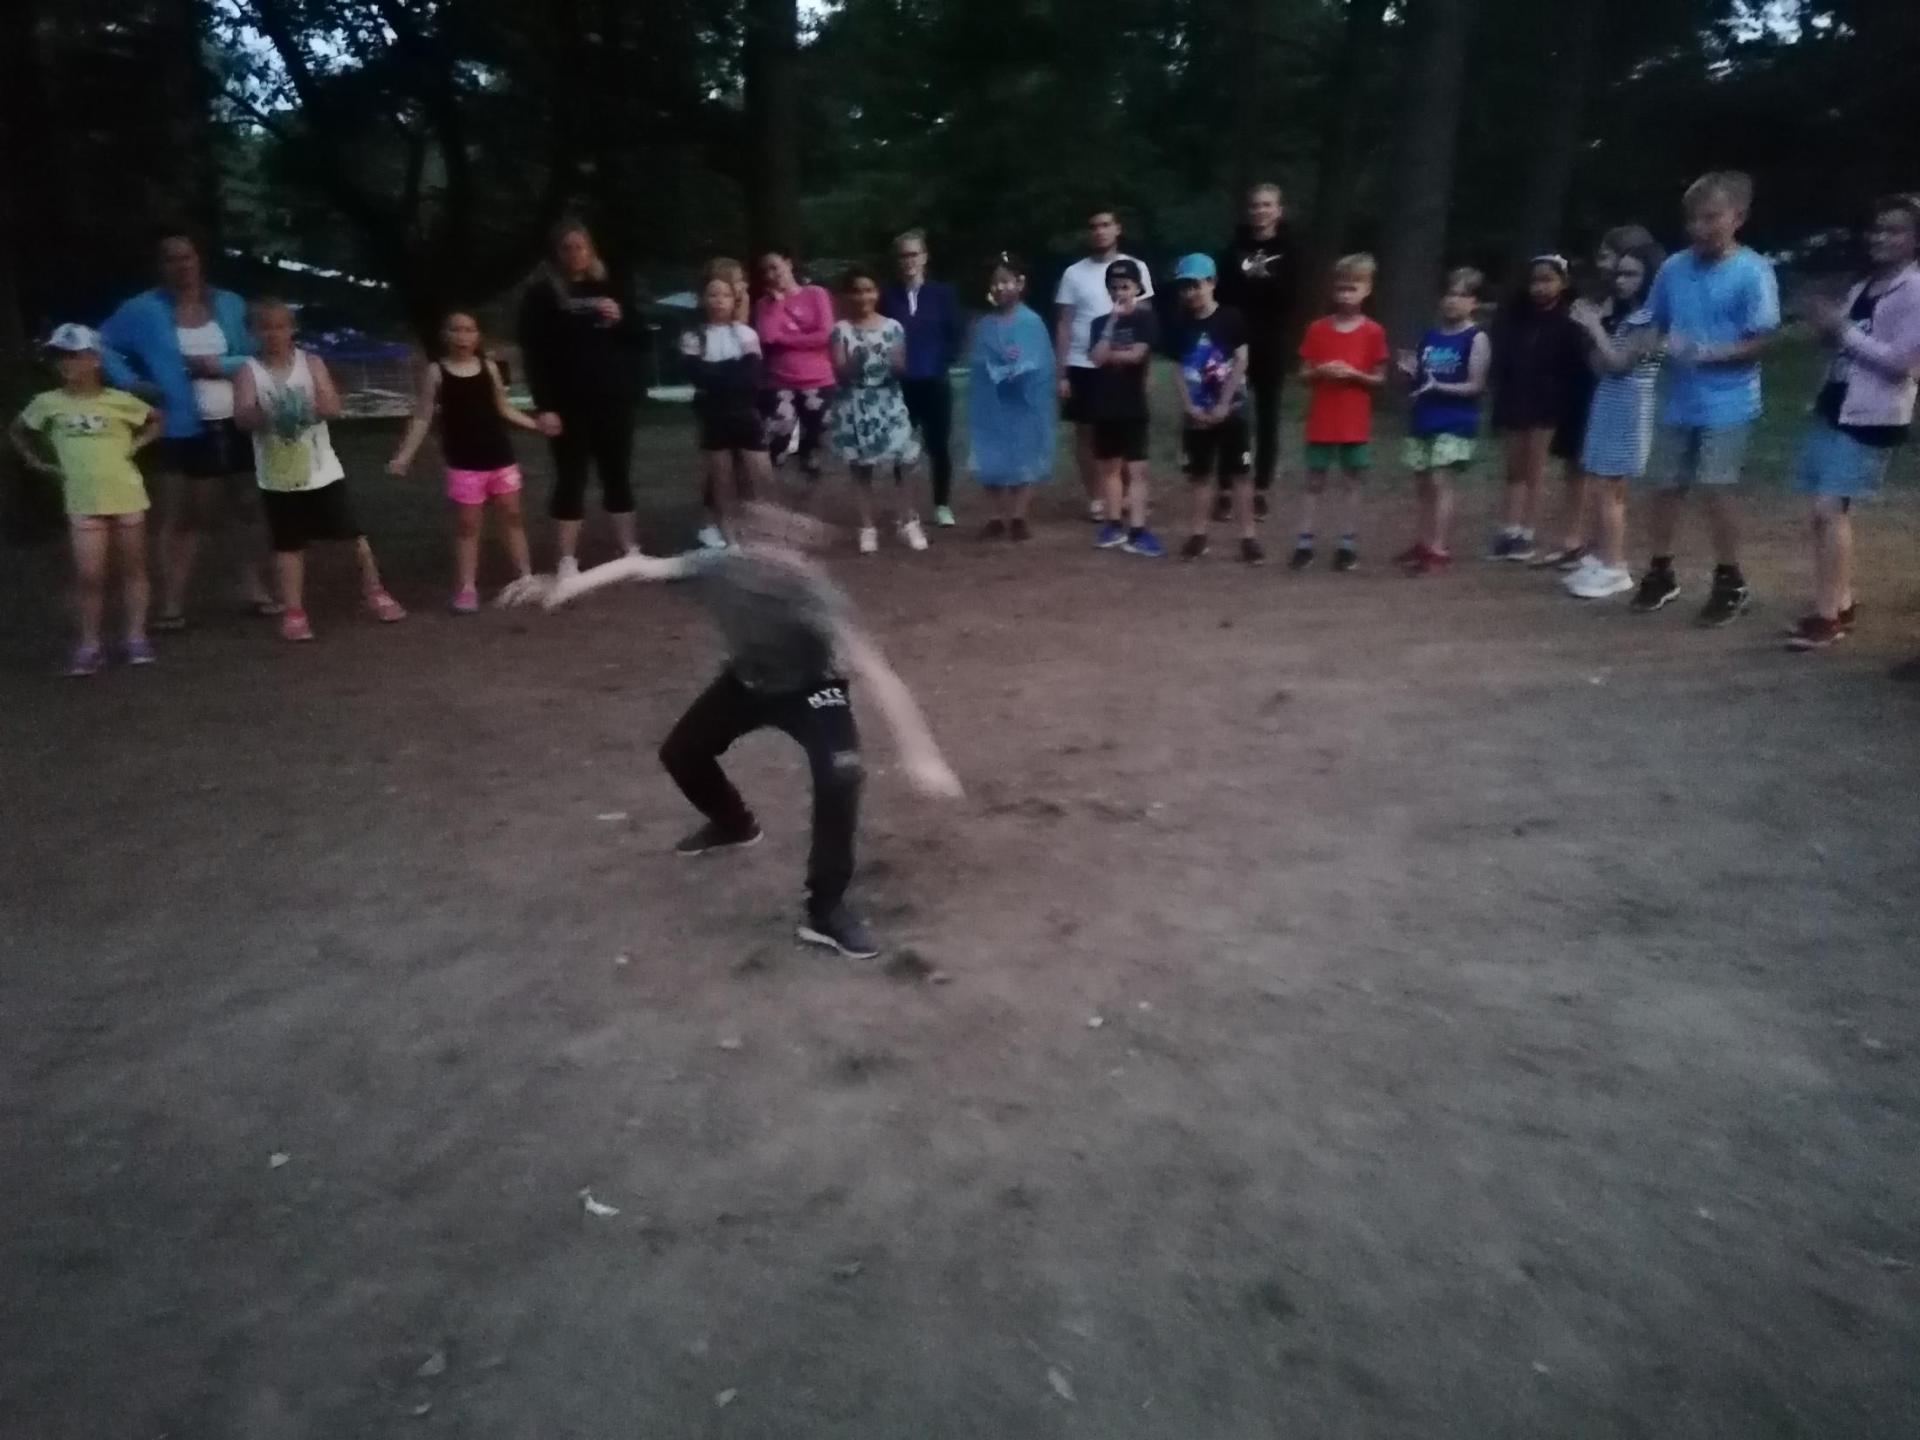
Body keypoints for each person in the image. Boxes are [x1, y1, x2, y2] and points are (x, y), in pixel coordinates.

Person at [523, 503, 963, 961]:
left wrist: (921, 754)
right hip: (749, 681)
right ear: (746, 543)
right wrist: (567, 585)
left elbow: (875, 669)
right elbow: (639, 566)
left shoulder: (812, 592)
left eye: (795, 546)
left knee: (841, 775)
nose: (786, 557)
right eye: (772, 543)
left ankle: (826, 910)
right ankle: (734, 824)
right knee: (682, 753)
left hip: (814, 688)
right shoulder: (721, 567)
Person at [99, 230, 275, 628]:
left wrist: (218, 366)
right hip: (180, 425)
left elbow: (256, 354)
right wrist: (130, 382)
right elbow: (101, 343)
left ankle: (254, 588)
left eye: (188, 257)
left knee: (248, 506)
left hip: (236, 418)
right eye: (171, 258)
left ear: (199, 259)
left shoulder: (229, 303)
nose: (181, 265)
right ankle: (171, 603)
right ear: (160, 265)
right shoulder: (142, 310)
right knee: (182, 515)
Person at [1634, 171, 1781, 625]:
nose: (1699, 228)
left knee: (1717, 487)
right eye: (1693, 219)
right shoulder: (1673, 268)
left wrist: (1709, 352)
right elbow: (1653, 322)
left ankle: (1730, 578)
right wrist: (1649, 344)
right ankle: (1660, 571)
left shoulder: (1753, 271)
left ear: (1738, 217)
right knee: (1665, 485)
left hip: (1728, 401)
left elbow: (1762, 339)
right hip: (1677, 398)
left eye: (1711, 217)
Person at [1786, 194, 1920, 651]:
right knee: (1821, 511)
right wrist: (1825, 328)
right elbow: (1845, 344)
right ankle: (1839, 600)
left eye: (1895, 230)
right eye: (1877, 228)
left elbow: (1901, 363)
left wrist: (1842, 330)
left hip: (1873, 412)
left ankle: (1827, 617)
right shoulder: (1864, 285)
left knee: (1830, 509)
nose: (1881, 237)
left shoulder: (1914, 290)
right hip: (1836, 402)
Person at [233, 299, 407, 641]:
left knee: (352, 536)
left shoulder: (310, 363)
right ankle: (294, 611)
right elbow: (242, 418)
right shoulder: (248, 371)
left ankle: (375, 591)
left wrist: (306, 406)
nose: (273, 334)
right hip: (278, 475)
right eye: (265, 327)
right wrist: (268, 412)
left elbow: (332, 406)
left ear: (292, 329)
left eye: (281, 326)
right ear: (253, 332)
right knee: (288, 545)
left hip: (321, 469)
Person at [10, 325, 163, 675]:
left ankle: (135, 636)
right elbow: (18, 430)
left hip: (125, 494)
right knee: (89, 575)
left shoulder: (119, 400)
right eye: (61, 357)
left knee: (133, 569)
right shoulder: (47, 403)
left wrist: (135, 446)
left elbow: (155, 420)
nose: (67, 364)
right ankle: (90, 644)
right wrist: (36, 461)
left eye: (75, 356)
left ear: (94, 359)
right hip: (83, 498)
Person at [386, 311, 542, 612]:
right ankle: (467, 588)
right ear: (446, 335)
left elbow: (503, 407)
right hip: (464, 462)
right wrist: (404, 455)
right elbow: (422, 417)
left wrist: (536, 425)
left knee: (512, 516)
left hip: (499, 456)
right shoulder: (436, 373)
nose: (462, 336)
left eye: (469, 330)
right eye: (456, 330)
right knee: (468, 525)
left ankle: (526, 578)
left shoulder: (489, 368)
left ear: (477, 336)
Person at [517, 218, 642, 578]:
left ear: (591, 250)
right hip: (567, 404)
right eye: (567, 248)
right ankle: (567, 559)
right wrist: (545, 406)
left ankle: (629, 549)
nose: (574, 253)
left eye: (580, 246)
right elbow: (534, 355)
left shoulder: (612, 287)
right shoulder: (541, 295)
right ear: (556, 253)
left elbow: (639, 339)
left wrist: (621, 318)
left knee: (617, 473)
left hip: (613, 400)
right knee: (570, 477)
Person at [1562, 239, 1666, 600]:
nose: (1621, 281)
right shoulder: (1626, 317)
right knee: (1599, 483)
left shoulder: (1651, 319)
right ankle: (1600, 556)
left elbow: (1621, 364)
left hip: (1629, 406)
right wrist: (1594, 328)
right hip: (1609, 401)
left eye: (1632, 274)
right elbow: (1601, 364)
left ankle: (1615, 566)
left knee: (1611, 490)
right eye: (1619, 273)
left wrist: (1593, 326)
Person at [1486, 255, 1588, 563]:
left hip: (1548, 401)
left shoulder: (1569, 320)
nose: (1540, 287)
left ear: (1563, 283)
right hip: (1514, 397)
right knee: (1513, 467)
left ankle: (1527, 532)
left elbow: (1573, 364)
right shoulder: (1514, 318)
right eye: (1535, 281)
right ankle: (1509, 528)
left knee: (1535, 467)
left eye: (1547, 280)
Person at [1054, 210, 1154, 521]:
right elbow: (1065, 324)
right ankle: (1096, 497)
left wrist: (1146, 369)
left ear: (1117, 229)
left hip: (1124, 363)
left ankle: (1125, 494)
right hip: (1082, 362)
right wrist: (1061, 373)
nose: (1100, 231)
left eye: (1106, 225)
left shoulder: (1136, 267)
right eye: (1094, 226)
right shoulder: (1073, 273)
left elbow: (1145, 317)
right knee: (1086, 432)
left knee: (1123, 429)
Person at [1293, 254, 1389, 571]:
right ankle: (1305, 541)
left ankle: (1347, 543)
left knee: (1352, 481)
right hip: (1322, 418)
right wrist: (1321, 371)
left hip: (1353, 420)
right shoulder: (1317, 328)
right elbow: (1303, 373)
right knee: (1314, 480)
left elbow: (1379, 378)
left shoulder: (1373, 331)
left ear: (1367, 290)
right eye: (1341, 288)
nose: (1346, 295)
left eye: (1353, 288)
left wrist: (1354, 374)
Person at [1394, 268, 1490, 575]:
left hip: (1455, 420)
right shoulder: (1430, 336)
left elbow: (1476, 385)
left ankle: (1438, 547)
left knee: (1440, 481)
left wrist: (1440, 387)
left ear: (1474, 302)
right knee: (1423, 484)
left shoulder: (1476, 338)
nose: (1453, 300)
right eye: (1449, 293)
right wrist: (1409, 373)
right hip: (1424, 417)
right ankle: (1422, 543)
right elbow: (1420, 381)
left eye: (1462, 295)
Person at [1165, 254, 1260, 564]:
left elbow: (1242, 360)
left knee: (1240, 474)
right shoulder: (1179, 323)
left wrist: (1224, 403)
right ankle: (1198, 534)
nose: (1190, 293)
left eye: (1195, 285)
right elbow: (1177, 368)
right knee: (1200, 474)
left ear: (1212, 283)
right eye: (1184, 287)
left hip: (1232, 410)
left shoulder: (1231, 318)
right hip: (1197, 413)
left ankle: (1248, 537)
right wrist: (1188, 406)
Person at [829, 267, 929, 555]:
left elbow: (900, 368)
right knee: (861, 468)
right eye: (857, 291)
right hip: (855, 404)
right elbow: (840, 373)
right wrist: (856, 361)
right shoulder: (840, 330)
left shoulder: (893, 327)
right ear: (848, 295)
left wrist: (896, 364)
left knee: (903, 462)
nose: (863, 297)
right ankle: (867, 527)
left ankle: (908, 521)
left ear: (877, 293)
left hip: (888, 401)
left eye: (869, 290)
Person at [1216, 182, 1300, 520]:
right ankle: (1225, 488)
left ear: (1278, 210)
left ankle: (1261, 489)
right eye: (1255, 205)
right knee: (1231, 413)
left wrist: (1264, 278)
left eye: (1267, 205)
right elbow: (1222, 294)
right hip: (1235, 341)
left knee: (1268, 417)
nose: (1260, 211)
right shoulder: (1234, 249)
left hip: (1272, 342)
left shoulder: (1292, 250)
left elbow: (1293, 296)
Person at [680, 269, 774, 550]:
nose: (719, 300)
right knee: (721, 479)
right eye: (713, 294)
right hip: (713, 414)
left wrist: (717, 372)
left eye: (725, 295)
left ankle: (762, 532)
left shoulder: (745, 333)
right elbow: (697, 374)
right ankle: (729, 537)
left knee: (760, 474)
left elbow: (751, 375)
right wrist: (731, 369)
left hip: (745, 411)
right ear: (702, 299)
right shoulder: (694, 336)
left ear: (735, 300)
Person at [966, 254, 1056, 540]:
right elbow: (976, 360)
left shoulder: (1032, 321)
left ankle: (1018, 515)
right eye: (995, 282)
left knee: (1023, 456)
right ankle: (995, 515)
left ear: (1020, 283)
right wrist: (993, 368)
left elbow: (1042, 360)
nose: (1000, 287)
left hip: (1023, 401)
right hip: (992, 402)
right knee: (990, 455)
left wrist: (1020, 369)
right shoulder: (984, 324)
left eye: (1005, 281)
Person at [881, 230, 964, 527]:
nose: (909, 261)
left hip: (934, 380)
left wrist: (942, 361)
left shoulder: (942, 294)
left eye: (914, 254)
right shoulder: (887, 296)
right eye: (903, 255)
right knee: (900, 445)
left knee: (938, 445)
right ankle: (906, 506)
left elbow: (956, 332)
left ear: (925, 257)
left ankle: (942, 504)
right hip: (901, 383)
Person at [1085, 259, 1165, 557]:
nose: (1120, 292)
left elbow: (1137, 355)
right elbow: (1096, 357)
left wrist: (1111, 354)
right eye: (1115, 287)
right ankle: (1113, 523)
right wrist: (1111, 324)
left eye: (1126, 287)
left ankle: (1138, 530)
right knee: (1109, 468)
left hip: (1133, 403)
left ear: (1137, 288)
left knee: (1137, 469)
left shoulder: (1146, 319)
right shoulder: (1099, 323)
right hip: (1105, 403)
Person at [753, 249, 838, 478]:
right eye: (765, 271)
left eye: (775, 267)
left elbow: (825, 335)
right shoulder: (764, 304)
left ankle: (812, 489)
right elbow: (767, 337)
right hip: (780, 381)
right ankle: (772, 490)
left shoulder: (816, 294)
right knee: (777, 440)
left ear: (788, 264)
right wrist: (778, 303)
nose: (771, 275)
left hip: (817, 379)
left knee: (816, 442)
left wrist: (785, 340)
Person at [693, 258, 756, 548]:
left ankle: (742, 523)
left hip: (742, 399)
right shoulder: (700, 329)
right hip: (714, 403)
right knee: (718, 467)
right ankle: (713, 523)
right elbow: (702, 369)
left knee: (746, 465)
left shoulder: (743, 316)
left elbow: (748, 361)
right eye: (737, 279)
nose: (742, 285)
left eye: (741, 281)